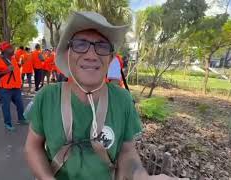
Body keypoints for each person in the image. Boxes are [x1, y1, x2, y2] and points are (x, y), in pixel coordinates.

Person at [23, 12, 181, 180]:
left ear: (111, 57)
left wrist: (143, 176)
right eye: (80, 44)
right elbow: (33, 146)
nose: (91, 55)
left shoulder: (122, 100)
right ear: (68, 53)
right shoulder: (47, 97)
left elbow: (127, 151)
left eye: (102, 46)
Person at [0, 41, 28, 131]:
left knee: (20, 105)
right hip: (4, 88)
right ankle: (8, 124)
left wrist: (20, 83)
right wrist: (6, 70)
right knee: (6, 107)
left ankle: (21, 119)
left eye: (12, 47)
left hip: (16, 87)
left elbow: (16, 72)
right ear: (4, 50)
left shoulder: (13, 58)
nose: (12, 49)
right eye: (10, 48)